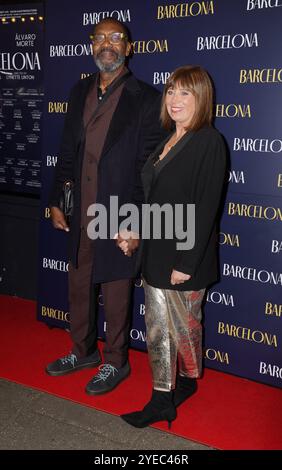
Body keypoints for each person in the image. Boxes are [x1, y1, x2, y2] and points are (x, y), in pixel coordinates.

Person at [46, 18, 166, 395]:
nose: (107, 44)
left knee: (116, 291)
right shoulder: (79, 90)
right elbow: (67, 152)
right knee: (78, 283)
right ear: (91, 46)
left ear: (129, 48)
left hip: (118, 211)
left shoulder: (146, 98)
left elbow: (149, 167)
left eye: (116, 38)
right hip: (80, 206)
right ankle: (82, 351)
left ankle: (115, 361)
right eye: (100, 38)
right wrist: (56, 200)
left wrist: (133, 222)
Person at [119, 65, 226, 427]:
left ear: (201, 98)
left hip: (183, 257)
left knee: (184, 327)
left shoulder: (208, 140)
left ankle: (182, 382)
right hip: (156, 252)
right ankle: (164, 396)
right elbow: (156, 201)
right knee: (158, 328)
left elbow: (206, 207)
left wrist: (187, 262)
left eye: (185, 93)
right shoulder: (167, 139)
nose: (175, 100)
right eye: (170, 91)